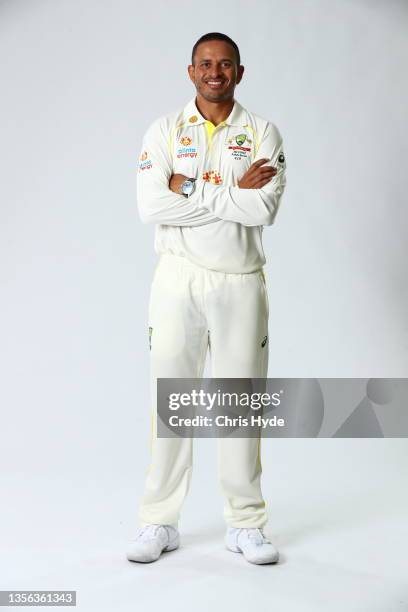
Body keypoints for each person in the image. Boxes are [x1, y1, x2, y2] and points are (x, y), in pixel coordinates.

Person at [127, 32, 287, 565]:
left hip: (240, 281)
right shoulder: (165, 130)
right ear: (190, 72)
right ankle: (159, 521)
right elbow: (152, 205)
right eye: (205, 64)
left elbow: (261, 209)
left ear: (239, 73)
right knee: (171, 399)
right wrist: (230, 193)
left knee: (240, 404)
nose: (214, 72)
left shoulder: (262, 132)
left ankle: (246, 524)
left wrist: (189, 189)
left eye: (225, 65)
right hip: (177, 278)